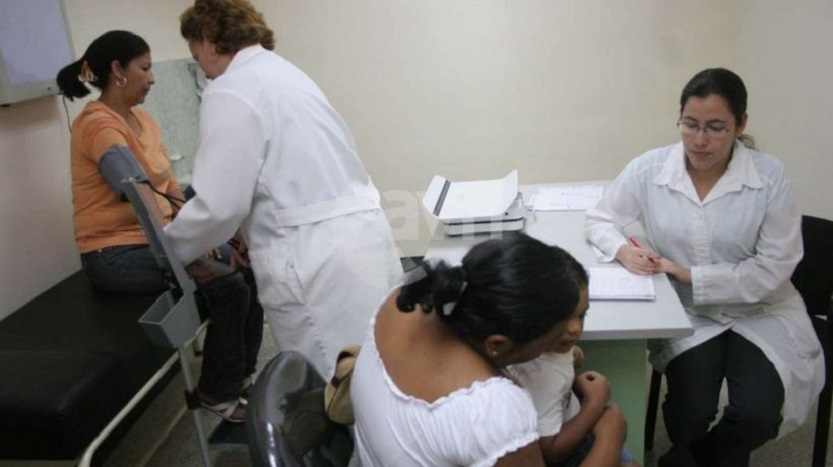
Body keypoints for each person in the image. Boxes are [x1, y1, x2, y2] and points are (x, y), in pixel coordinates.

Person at [584, 68, 824, 466]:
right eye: (690, 124)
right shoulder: (650, 168)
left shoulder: (769, 177)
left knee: (756, 414)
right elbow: (599, 219)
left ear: (740, 125)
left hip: (760, 308)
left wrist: (689, 274)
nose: (699, 140)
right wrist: (623, 250)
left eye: (715, 128)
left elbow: (775, 266)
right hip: (689, 310)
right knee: (689, 414)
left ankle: (689, 461)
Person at [165, 0, 402, 379]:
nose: (203, 70)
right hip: (363, 236)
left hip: (313, 257)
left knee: (334, 382)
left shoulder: (230, 88)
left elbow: (218, 206)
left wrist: (171, 248)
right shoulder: (286, 73)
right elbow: (281, 173)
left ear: (208, 38)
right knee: (379, 368)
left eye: (196, 57)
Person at [56, 30, 263, 424]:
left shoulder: (145, 121)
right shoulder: (97, 125)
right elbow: (137, 195)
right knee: (228, 285)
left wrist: (203, 235)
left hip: (159, 239)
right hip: (113, 254)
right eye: (145, 68)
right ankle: (217, 391)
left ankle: (242, 376)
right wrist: (184, 248)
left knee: (249, 266)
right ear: (117, 70)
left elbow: (170, 190)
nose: (153, 78)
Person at [351, 233, 631, 466]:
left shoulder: (404, 302)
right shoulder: (492, 411)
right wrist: (611, 436)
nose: (558, 347)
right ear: (498, 345)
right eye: (549, 342)